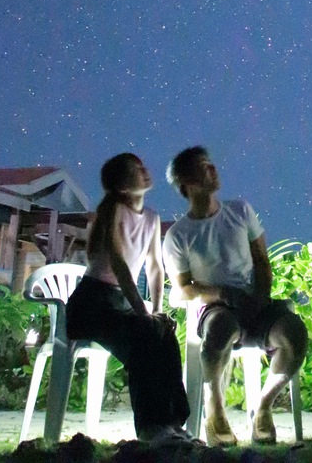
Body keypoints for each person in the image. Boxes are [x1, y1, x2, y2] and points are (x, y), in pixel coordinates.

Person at [163, 147, 307, 447]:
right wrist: (220, 293)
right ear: (185, 181)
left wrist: (261, 297)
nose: (213, 170)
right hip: (216, 307)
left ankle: (263, 406)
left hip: (254, 301)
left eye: (212, 164)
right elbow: (183, 288)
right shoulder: (179, 234)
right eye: (204, 167)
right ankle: (214, 408)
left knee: (295, 333)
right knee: (219, 329)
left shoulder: (240, 211)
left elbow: (262, 260)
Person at [66, 153, 191, 444]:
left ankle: (174, 423)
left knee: (165, 335)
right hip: (91, 303)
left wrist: (157, 312)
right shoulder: (113, 212)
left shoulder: (151, 218)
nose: (146, 171)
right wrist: (144, 314)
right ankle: (151, 428)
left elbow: (156, 268)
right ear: (122, 186)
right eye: (137, 169)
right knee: (145, 338)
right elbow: (120, 266)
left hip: (120, 302)